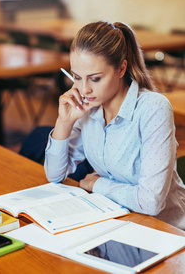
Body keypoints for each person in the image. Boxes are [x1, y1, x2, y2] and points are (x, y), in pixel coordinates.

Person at [44, 21, 185, 230]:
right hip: (116, 219)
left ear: (121, 69)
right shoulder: (88, 107)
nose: (84, 89)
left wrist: (97, 184)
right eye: (76, 77)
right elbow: (55, 175)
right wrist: (64, 122)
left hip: (165, 230)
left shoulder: (153, 108)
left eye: (95, 79)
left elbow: (151, 202)